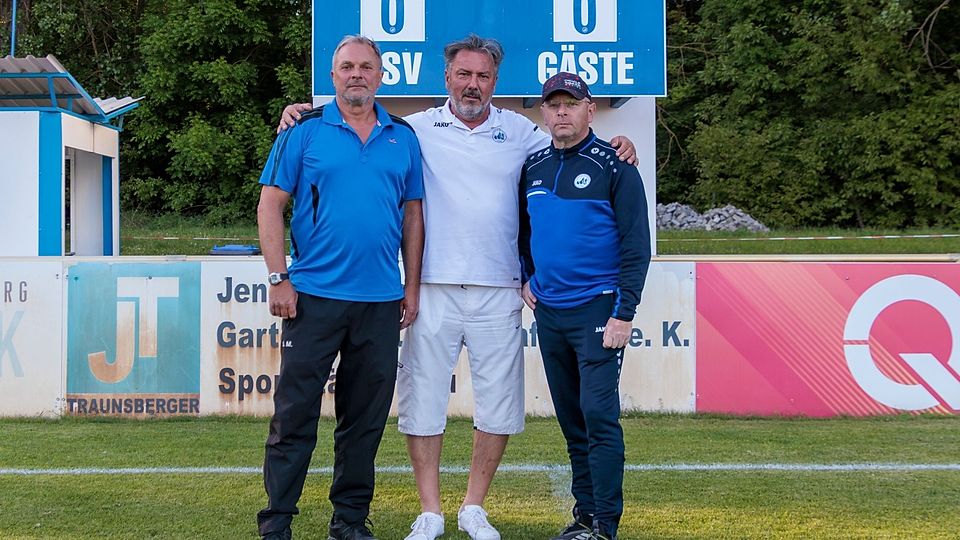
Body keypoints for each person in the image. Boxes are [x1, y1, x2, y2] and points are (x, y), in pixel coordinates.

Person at [279, 35, 636, 540]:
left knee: (498, 405)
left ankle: (473, 507)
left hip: (499, 287)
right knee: (422, 402)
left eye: (483, 76)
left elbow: (572, 144)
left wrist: (620, 144)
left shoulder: (522, 131)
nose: (473, 84)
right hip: (431, 286)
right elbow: (356, 114)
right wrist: (298, 113)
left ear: (495, 81)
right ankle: (430, 510)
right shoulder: (415, 128)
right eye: (463, 74)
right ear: (447, 77)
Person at [256, 34, 424, 540]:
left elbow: (413, 217)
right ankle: (277, 522)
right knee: (294, 415)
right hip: (313, 297)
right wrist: (278, 277)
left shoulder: (403, 136)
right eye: (347, 66)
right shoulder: (303, 130)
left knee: (364, 421)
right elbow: (269, 205)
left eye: (366, 66)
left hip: (380, 301)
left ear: (380, 75)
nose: (356, 74)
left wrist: (411, 287)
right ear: (332, 76)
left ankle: (349, 521)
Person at [518, 72, 651, 540]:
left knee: (598, 416)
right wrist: (526, 276)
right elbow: (525, 233)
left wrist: (624, 312)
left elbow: (636, 246)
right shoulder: (533, 167)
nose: (561, 112)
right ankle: (585, 516)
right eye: (553, 104)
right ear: (543, 112)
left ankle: (605, 526)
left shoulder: (616, 165)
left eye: (571, 104)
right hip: (550, 314)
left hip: (599, 310)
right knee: (573, 421)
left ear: (589, 110)